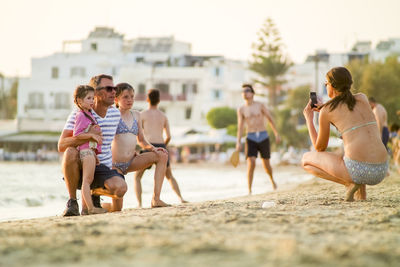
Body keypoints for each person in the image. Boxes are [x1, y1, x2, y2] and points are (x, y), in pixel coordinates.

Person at [302, 67, 388, 202]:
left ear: (332, 86)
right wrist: (326, 109)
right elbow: (350, 121)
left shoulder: (327, 111)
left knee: (306, 160)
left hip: (358, 170)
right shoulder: (362, 98)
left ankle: (349, 183)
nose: (326, 87)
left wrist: (309, 119)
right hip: (382, 169)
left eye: (326, 84)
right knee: (355, 153)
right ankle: (361, 195)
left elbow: (319, 148)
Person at [58, 74, 127, 216]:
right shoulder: (78, 114)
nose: (114, 92)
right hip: (80, 165)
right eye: (109, 88)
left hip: (102, 166)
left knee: (120, 189)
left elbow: (127, 135)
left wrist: (147, 148)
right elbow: (62, 144)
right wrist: (88, 135)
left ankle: (93, 194)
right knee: (70, 151)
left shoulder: (115, 114)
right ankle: (72, 202)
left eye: (115, 88)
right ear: (95, 93)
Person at [111, 83, 170, 208]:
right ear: (116, 99)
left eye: (132, 97)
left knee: (162, 155)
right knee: (116, 208)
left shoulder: (137, 115)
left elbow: (141, 140)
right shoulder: (111, 115)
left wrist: (154, 149)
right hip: (114, 166)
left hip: (132, 161)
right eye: (125, 97)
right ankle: (101, 206)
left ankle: (156, 199)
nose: (130, 100)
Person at [134, 89, 187, 207]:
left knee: (138, 177)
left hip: (148, 146)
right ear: (159, 100)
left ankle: (139, 204)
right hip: (161, 146)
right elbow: (168, 136)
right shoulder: (163, 116)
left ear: (147, 99)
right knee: (169, 176)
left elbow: (138, 135)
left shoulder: (142, 114)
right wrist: (164, 146)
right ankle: (181, 198)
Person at [235, 84, 281, 194]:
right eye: (243, 91)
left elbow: (270, 119)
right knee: (251, 163)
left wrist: (276, 133)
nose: (245, 93)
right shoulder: (241, 109)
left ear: (252, 93)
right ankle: (249, 190)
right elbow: (240, 126)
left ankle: (272, 180)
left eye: (247, 90)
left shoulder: (260, 105)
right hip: (250, 137)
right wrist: (238, 142)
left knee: (266, 164)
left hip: (263, 135)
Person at [72, 85, 107, 214]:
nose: (92, 101)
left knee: (88, 180)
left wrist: (95, 153)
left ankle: (85, 209)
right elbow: (77, 134)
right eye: (88, 98)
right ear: (79, 101)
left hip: (90, 152)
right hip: (85, 152)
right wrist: (92, 135)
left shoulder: (89, 114)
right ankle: (91, 208)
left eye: (93, 98)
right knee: (87, 181)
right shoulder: (81, 115)